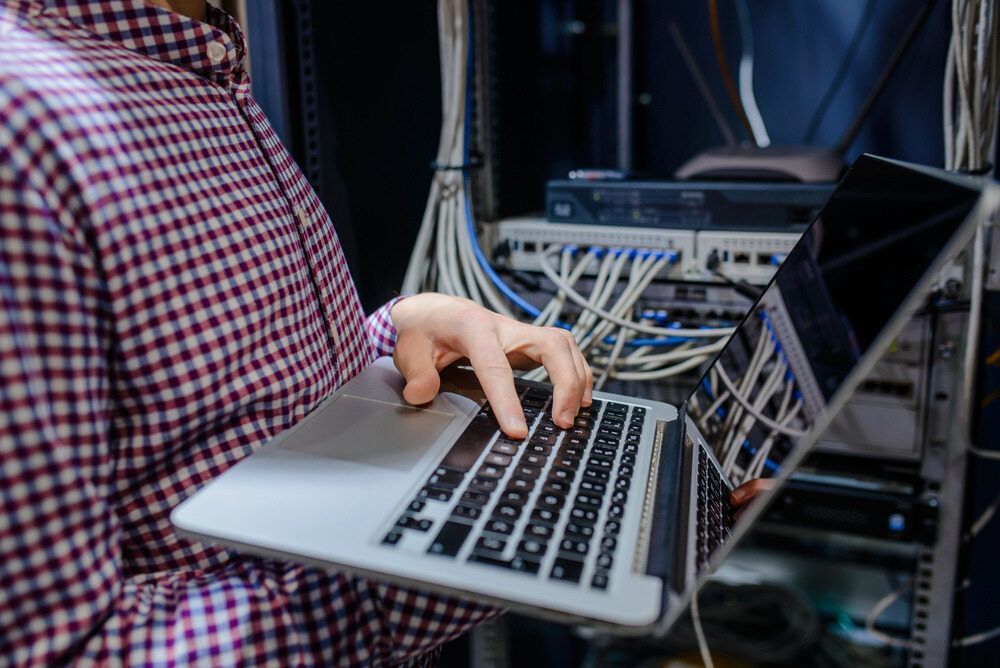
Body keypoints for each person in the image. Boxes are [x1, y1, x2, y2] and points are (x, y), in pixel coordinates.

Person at [0, 1, 766, 665]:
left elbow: (203, 405)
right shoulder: (21, 133)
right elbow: (63, 649)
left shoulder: (194, 65)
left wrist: (394, 330)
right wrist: (424, 574)